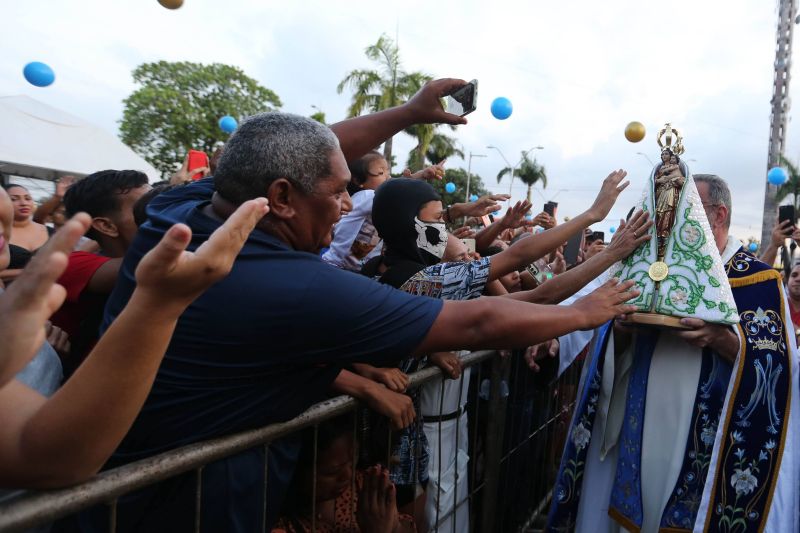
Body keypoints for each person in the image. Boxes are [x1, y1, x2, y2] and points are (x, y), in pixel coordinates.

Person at [95, 80, 639, 533]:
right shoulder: (295, 286)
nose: (349, 206)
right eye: (337, 193)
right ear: (282, 198)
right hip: (179, 508)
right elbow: (475, 319)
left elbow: (278, 153)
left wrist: (407, 113)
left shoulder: (182, 211)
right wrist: (587, 310)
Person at [548, 174, 800, 533]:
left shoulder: (757, 283)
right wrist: (619, 331)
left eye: (687, 211)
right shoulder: (648, 270)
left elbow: (776, 369)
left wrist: (724, 340)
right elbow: (601, 327)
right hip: (639, 435)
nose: (673, 222)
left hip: (710, 449)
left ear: (719, 215)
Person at [0, 190, 269, 487]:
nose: (154, 217)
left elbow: (49, 458)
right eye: (146, 211)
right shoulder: (76, 262)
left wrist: (160, 304)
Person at [50, 170, 151, 371]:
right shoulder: (73, 264)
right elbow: (152, 267)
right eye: (146, 206)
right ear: (106, 225)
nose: (162, 210)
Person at [273, 417, 415, 533]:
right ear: (297, 470)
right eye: (332, 472)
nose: (348, 475)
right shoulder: (280, 523)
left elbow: (406, 526)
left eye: (352, 462)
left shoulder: (362, 487)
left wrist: (395, 526)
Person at [0, 184, 54, 283]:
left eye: (27, 198)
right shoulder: (1, 234)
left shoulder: (51, 232)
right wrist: (27, 271)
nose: (23, 203)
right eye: (14, 199)